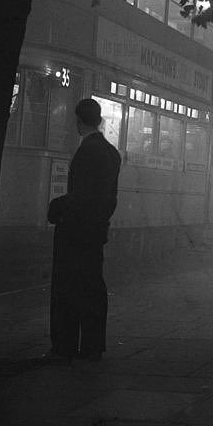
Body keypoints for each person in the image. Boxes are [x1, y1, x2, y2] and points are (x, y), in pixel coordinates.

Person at [45, 98, 121, 363]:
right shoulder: (112, 153)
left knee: (67, 289)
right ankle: (92, 346)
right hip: (96, 230)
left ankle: (64, 345)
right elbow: (107, 197)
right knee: (92, 288)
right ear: (99, 120)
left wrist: (58, 206)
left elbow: (82, 195)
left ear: (79, 122)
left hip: (76, 231)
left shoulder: (86, 152)